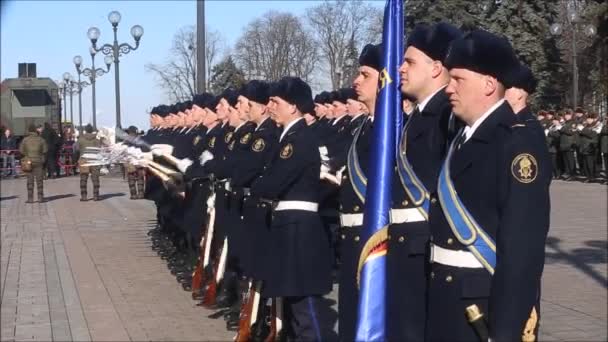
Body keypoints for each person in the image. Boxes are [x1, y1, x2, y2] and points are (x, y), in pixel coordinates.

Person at [426, 29, 551, 342]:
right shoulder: (462, 138)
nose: (448, 89)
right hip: (445, 299)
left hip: (479, 310)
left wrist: (505, 331)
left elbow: (522, 253)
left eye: (457, 79)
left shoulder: (516, 144)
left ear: (488, 84)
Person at [389, 22, 462, 342]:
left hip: (425, 251)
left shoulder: (448, 115)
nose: (400, 68)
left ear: (436, 68)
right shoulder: (419, 115)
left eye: (409, 61)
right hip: (407, 248)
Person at [250, 77, 333, 340]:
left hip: (299, 227)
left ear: (294, 106)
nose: (270, 106)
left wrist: (257, 184)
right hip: (290, 223)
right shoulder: (289, 136)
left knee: (305, 304)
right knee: (295, 302)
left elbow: (272, 182)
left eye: (276, 101)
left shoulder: (297, 140)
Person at [19, 124, 48, 203]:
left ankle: (30, 198)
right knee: (39, 180)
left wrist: (26, 155)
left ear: (29, 131)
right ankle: (40, 197)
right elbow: (45, 151)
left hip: (28, 162)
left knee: (30, 181)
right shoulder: (41, 139)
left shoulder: (25, 140)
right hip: (39, 161)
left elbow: (21, 151)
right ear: (35, 131)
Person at [75, 124, 102, 201]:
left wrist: (77, 159)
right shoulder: (96, 140)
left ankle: (84, 196)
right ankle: (96, 196)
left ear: (85, 130)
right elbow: (100, 151)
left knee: (83, 178)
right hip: (94, 160)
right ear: (92, 130)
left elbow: (76, 150)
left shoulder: (80, 139)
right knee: (95, 179)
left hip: (84, 160)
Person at [125, 125, 146, 199]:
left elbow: (124, 151)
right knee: (140, 179)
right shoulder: (140, 139)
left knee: (131, 179)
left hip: (130, 162)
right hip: (139, 161)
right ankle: (141, 194)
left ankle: (133, 195)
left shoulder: (127, 140)